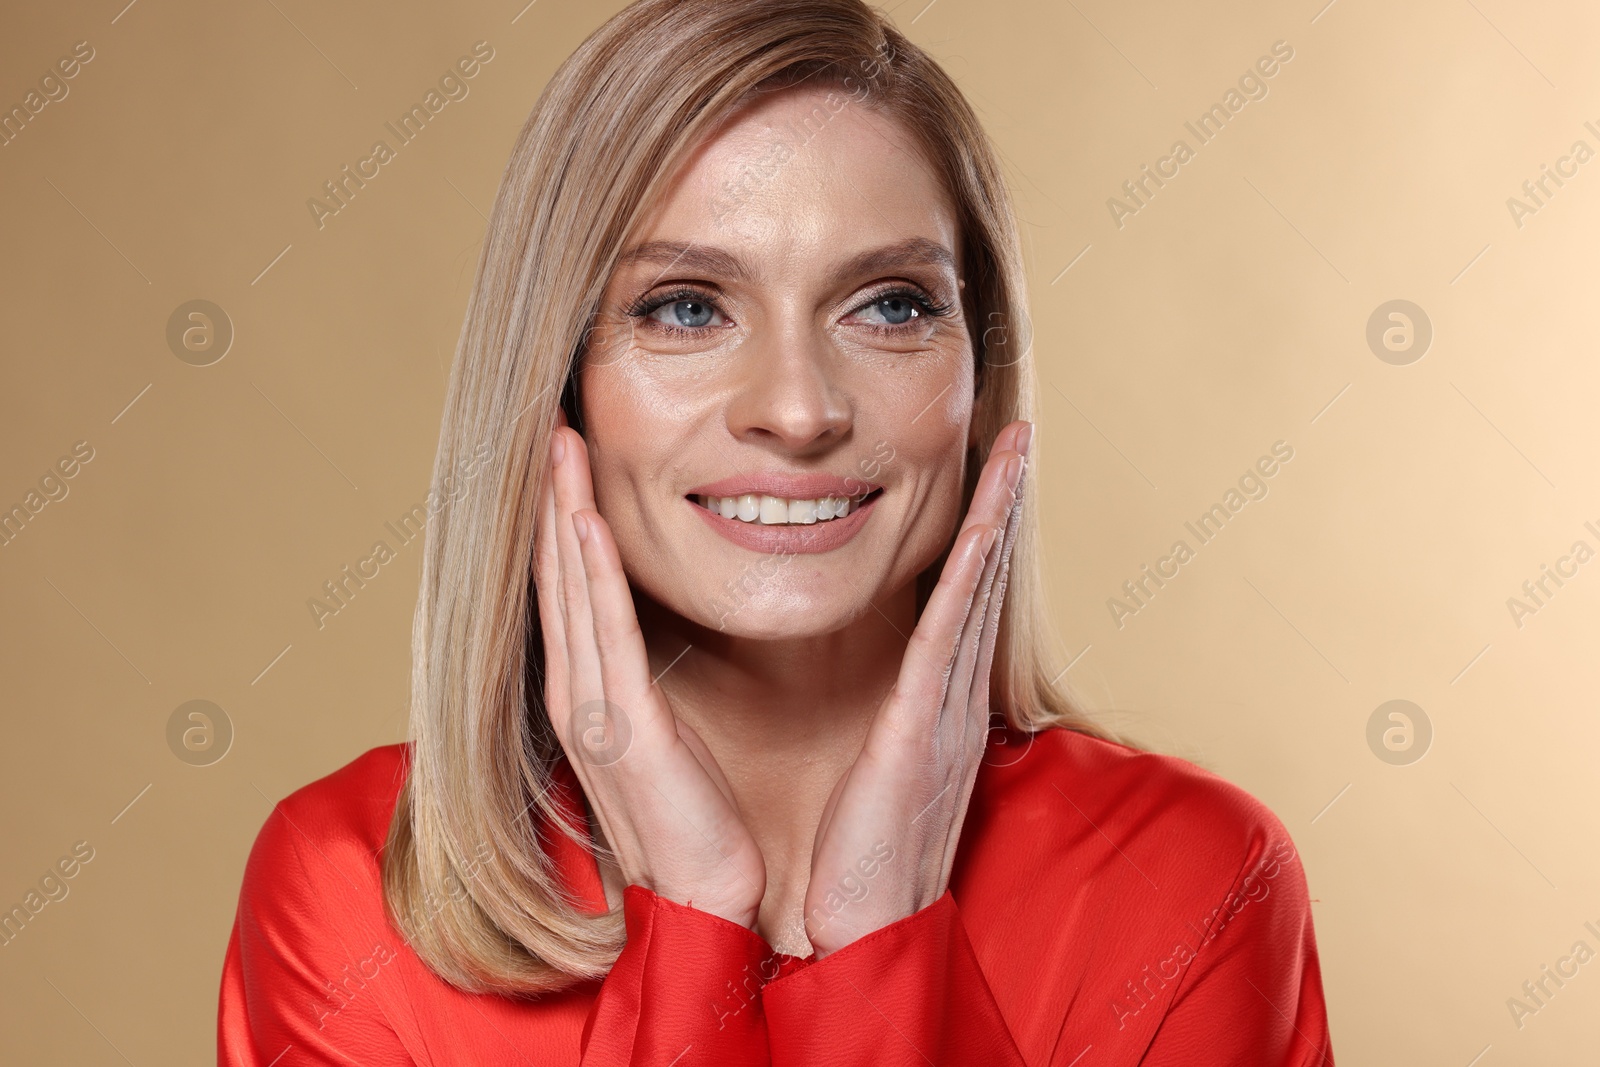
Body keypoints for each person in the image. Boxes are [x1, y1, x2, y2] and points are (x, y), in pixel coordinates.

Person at [219, 0, 1334, 1062]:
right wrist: (694, 923)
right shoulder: (353, 888)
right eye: (687, 307)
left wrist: (880, 941)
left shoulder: (1192, 880)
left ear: (977, 377)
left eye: (890, 303)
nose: (798, 409)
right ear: (556, 390)